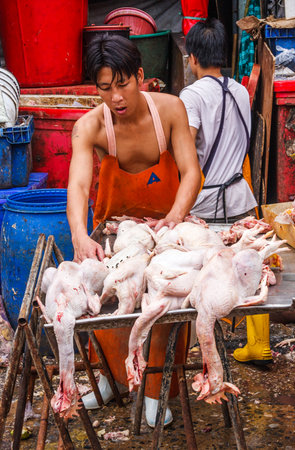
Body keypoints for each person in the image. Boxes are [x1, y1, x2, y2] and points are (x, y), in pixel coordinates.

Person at [67, 34, 201, 426]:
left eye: (123, 84)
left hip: (168, 230)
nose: (116, 98)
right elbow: (76, 186)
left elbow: (191, 172)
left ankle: (157, 393)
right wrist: (79, 235)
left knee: (162, 307)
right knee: (111, 302)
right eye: (105, 88)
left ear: (141, 76)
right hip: (116, 231)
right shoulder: (89, 127)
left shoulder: (172, 110)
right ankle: (111, 381)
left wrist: (174, 217)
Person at [179, 18, 272, 365]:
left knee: (198, 271)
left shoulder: (190, 95)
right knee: (252, 265)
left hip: (207, 203)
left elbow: (186, 150)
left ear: (192, 58)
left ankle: (193, 343)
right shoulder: (239, 91)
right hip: (242, 196)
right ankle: (259, 343)